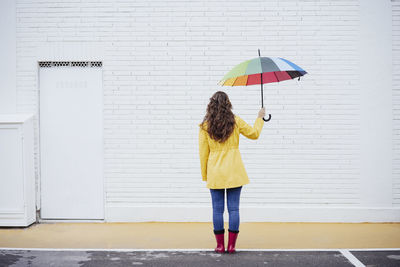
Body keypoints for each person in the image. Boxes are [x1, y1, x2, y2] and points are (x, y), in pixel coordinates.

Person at [198, 91, 265, 254]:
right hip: (235, 170)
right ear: (228, 104)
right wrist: (260, 118)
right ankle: (232, 246)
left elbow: (203, 153)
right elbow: (254, 134)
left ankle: (220, 246)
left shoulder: (205, 126)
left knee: (217, 210)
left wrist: (205, 175)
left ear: (211, 105)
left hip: (215, 172)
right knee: (234, 209)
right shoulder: (235, 121)